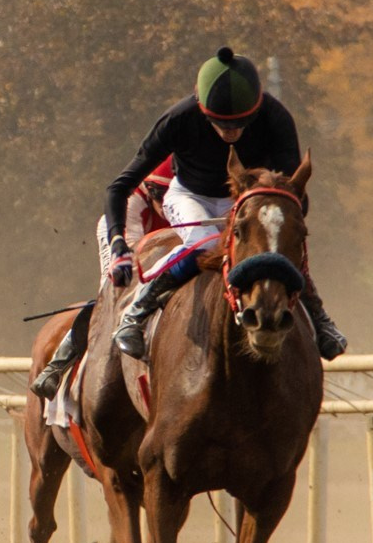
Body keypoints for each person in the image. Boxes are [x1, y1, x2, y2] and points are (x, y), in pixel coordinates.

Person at [103, 46, 347, 361]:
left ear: (256, 110)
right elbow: (119, 186)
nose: (231, 131)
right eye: (220, 123)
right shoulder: (178, 118)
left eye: (241, 123)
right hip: (191, 196)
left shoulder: (276, 117)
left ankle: (320, 319)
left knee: (275, 245)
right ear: (202, 109)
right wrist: (117, 242)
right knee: (206, 244)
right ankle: (136, 312)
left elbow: (293, 194)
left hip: (249, 200)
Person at [28, 159, 174, 398]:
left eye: (170, 193)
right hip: (120, 236)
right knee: (115, 295)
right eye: (159, 194)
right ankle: (57, 366)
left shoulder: (187, 199)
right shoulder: (131, 204)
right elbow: (141, 258)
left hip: (163, 244)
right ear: (147, 189)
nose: (165, 203)